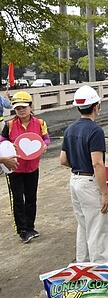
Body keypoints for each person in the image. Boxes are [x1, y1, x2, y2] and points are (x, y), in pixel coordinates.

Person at [60, 85, 108, 262]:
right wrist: (105, 193)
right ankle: (100, 270)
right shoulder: (95, 130)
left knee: (83, 226)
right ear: (96, 106)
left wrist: (78, 163)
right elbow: (97, 163)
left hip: (75, 180)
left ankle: (82, 265)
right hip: (89, 182)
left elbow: (63, 160)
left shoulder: (70, 129)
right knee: (97, 228)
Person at [1, 91, 50, 243]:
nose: (21, 110)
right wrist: (8, 147)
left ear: (30, 106)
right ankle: (22, 230)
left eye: (23, 107)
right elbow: (1, 141)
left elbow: (46, 139)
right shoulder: (9, 125)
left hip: (33, 168)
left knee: (31, 198)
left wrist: (44, 146)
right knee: (17, 199)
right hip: (15, 168)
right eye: (17, 108)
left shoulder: (40, 123)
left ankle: (30, 227)